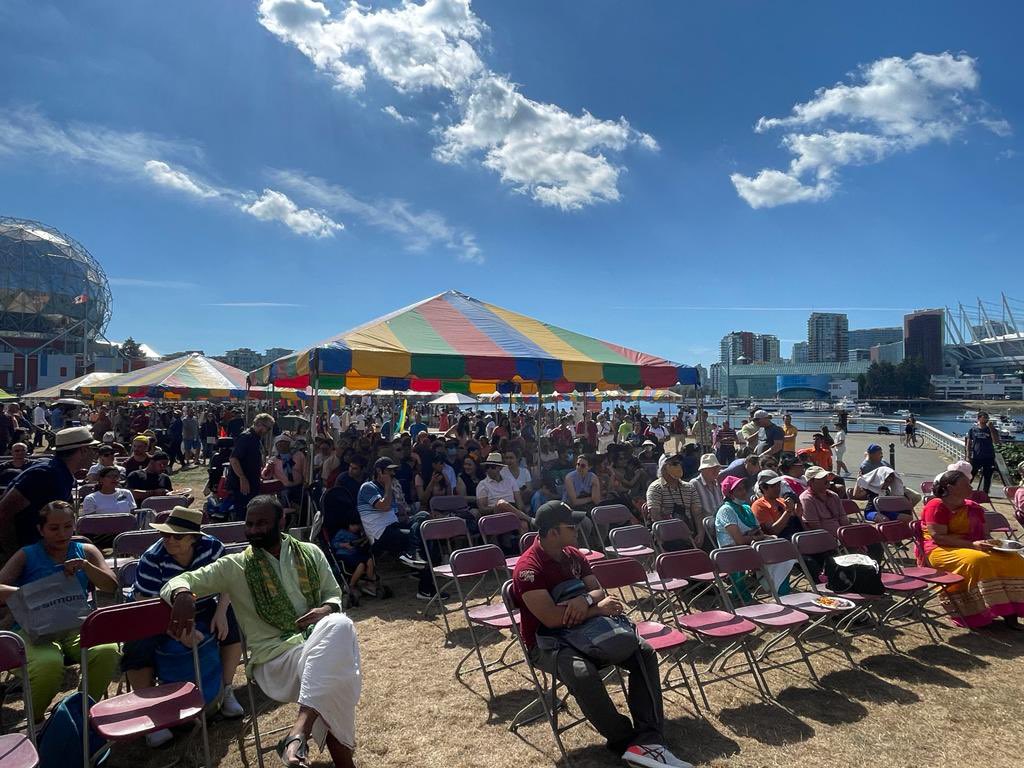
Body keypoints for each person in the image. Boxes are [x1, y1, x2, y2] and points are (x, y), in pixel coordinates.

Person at [163, 495, 360, 767]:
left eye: (262, 523)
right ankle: (320, 746)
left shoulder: (311, 553)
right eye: (250, 524)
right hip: (274, 660)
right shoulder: (235, 566)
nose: (254, 530)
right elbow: (182, 579)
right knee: (337, 666)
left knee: (338, 625)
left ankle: (297, 734)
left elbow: (333, 596)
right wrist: (182, 593)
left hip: (315, 645)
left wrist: (324, 610)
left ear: (281, 521)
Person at [511, 501, 693, 768]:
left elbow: (597, 590)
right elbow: (551, 618)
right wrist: (596, 610)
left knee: (642, 651)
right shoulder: (528, 569)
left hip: (586, 630)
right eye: (571, 526)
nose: (578, 529)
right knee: (583, 674)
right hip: (549, 642)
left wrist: (584, 600)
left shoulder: (573, 554)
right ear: (551, 533)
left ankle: (650, 737)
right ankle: (625, 741)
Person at [125, 507, 244, 746]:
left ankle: (226, 690)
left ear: (194, 539)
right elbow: (145, 604)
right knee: (138, 645)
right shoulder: (153, 558)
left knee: (233, 620)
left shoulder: (212, 548)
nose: (168, 539)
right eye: (165, 534)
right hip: (156, 611)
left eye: (177, 536)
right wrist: (178, 632)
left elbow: (229, 580)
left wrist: (221, 612)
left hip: (202, 604)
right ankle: (150, 713)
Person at [0, 501, 120, 724]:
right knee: (48, 663)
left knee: (107, 649)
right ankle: (36, 722)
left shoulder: (86, 551)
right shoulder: (27, 555)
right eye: (54, 528)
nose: (62, 533)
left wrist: (86, 567)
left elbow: (111, 586)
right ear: (41, 530)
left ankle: (84, 711)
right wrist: (34, 592)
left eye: (67, 526)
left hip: (75, 625)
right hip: (34, 629)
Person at [920, 470, 1024, 629]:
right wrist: (973, 545)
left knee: (1013, 559)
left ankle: (1011, 612)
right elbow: (938, 537)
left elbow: (984, 534)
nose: (971, 487)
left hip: (972, 545)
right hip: (941, 549)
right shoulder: (936, 505)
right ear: (951, 487)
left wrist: (993, 544)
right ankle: (976, 614)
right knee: (979, 560)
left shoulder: (973, 507)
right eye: (966, 484)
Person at [0, 426, 98, 559]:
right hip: (23, 556)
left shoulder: (60, 473)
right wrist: (15, 556)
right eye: (92, 448)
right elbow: (3, 512)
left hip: (38, 553)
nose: (94, 453)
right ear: (83, 450)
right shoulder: (45, 474)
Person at [357, 457, 433, 599]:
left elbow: (394, 514)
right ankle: (425, 588)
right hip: (380, 535)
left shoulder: (387, 490)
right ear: (379, 471)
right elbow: (384, 506)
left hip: (394, 527)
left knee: (423, 518)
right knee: (420, 537)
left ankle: (414, 556)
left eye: (393, 472)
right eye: (389, 471)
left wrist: (408, 517)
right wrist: (388, 486)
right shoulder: (368, 487)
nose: (392, 475)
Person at [716, 476, 793, 593]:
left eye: (743, 488)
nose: (743, 492)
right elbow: (739, 540)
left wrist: (759, 536)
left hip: (751, 546)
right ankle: (780, 590)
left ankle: (781, 589)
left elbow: (758, 531)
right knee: (776, 554)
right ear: (730, 494)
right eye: (739, 490)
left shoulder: (746, 508)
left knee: (780, 548)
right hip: (733, 552)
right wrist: (756, 536)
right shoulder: (726, 510)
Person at [645, 454, 704, 549]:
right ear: (663, 467)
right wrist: (676, 532)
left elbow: (697, 513)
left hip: (688, 530)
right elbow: (655, 516)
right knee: (677, 545)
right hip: (666, 532)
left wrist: (701, 534)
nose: (678, 466)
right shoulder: (655, 488)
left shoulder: (689, 487)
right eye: (674, 463)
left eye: (679, 463)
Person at [228, 413, 274, 520]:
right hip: (243, 484)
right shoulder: (246, 437)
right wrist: (242, 478)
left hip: (252, 481)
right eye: (267, 428)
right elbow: (234, 459)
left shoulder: (256, 439)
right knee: (243, 514)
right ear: (259, 424)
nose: (267, 432)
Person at [476, 452, 531, 533]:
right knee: (501, 504)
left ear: (499, 468)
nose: (489, 470)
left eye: (492, 467)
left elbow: (519, 503)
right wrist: (498, 507)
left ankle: (522, 544)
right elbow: (482, 509)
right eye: (487, 467)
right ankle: (530, 520)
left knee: (524, 525)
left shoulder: (510, 481)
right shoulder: (482, 484)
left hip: (512, 512)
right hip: (495, 514)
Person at [330, 518, 376, 603]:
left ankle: (369, 583)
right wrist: (344, 545)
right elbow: (333, 544)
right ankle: (351, 586)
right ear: (348, 525)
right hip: (344, 554)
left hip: (356, 554)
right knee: (361, 565)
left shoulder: (359, 534)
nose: (355, 527)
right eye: (353, 525)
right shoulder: (342, 532)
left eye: (357, 525)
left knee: (370, 560)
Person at [750, 470, 803, 539]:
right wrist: (788, 512)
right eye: (773, 486)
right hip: (779, 543)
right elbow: (773, 531)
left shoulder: (783, 501)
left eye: (778, 484)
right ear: (763, 487)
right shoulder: (759, 505)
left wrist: (798, 515)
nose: (777, 488)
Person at [691, 454, 723, 546]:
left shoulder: (717, 484)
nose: (716, 471)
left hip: (720, 524)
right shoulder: (694, 484)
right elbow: (696, 512)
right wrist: (701, 533)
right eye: (712, 468)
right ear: (703, 470)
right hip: (707, 528)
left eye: (717, 468)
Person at [965, 411, 1000, 494]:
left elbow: (996, 441)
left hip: (989, 456)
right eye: (984, 417)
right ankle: (965, 491)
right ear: (979, 418)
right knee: (971, 475)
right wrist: (968, 455)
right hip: (977, 456)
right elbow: (969, 444)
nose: (986, 419)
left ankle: (985, 494)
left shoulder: (991, 429)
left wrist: (991, 428)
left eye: (987, 417)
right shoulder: (973, 430)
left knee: (987, 476)